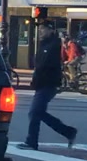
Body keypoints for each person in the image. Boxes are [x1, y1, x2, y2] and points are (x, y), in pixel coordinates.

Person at [18, 20, 78, 151]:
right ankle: (68, 132)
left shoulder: (55, 45)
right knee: (38, 113)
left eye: (43, 29)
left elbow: (45, 66)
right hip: (42, 84)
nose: (40, 31)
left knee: (35, 112)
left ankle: (32, 141)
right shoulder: (43, 44)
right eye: (39, 29)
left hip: (49, 84)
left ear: (51, 30)